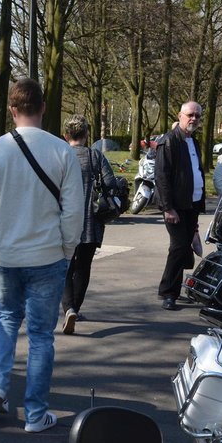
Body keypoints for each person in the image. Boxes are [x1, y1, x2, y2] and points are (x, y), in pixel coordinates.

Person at [0, 78, 84, 433]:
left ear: (12, 111)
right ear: (44, 108)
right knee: (40, 336)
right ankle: (35, 414)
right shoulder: (62, 151)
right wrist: (67, 247)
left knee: (5, 318)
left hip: (6, 254)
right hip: (47, 255)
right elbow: (73, 211)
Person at [60, 115, 121, 335]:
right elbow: (111, 184)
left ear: (66, 136)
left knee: (65, 268)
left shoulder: (59, 156)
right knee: (83, 267)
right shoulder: (95, 156)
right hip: (90, 222)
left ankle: (68, 308)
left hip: (63, 222)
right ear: (86, 134)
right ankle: (75, 307)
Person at [155, 100, 206, 311]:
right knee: (178, 247)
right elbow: (162, 176)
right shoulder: (169, 141)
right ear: (180, 115)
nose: (193, 118)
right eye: (190, 115)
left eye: (197, 116)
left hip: (192, 204)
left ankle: (168, 287)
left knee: (182, 247)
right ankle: (169, 293)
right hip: (176, 206)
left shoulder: (194, 142)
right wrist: (168, 208)